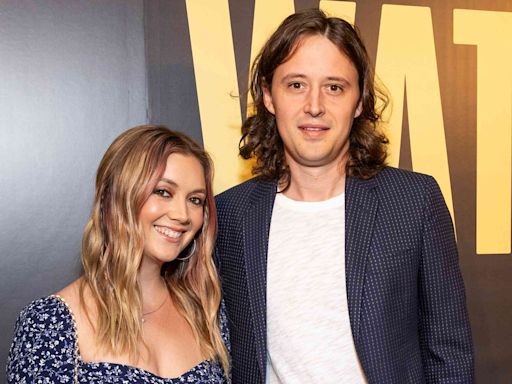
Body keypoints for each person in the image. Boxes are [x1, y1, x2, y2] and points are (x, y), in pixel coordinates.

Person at [215, 8, 473, 384]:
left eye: (334, 87)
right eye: (296, 85)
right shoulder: (232, 213)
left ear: (359, 101)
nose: (315, 106)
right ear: (269, 96)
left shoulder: (413, 202)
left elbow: (448, 352)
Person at [7, 125, 230, 383]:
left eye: (195, 200)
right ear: (117, 196)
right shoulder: (49, 324)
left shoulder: (205, 310)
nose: (182, 214)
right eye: (163, 192)